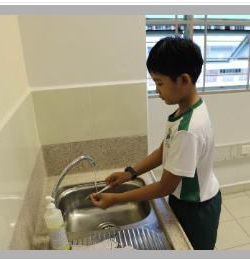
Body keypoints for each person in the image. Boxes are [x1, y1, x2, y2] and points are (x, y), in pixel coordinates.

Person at [90, 37, 222, 250]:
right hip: (185, 201)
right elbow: (165, 150)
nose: (157, 90)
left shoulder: (189, 130)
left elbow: (164, 187)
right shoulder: (185, 110)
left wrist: (115, 199)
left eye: (159, 83)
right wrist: (130, 173)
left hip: (197, 209)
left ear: (183, 80)